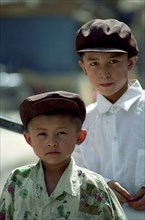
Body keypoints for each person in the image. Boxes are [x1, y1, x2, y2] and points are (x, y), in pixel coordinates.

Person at [0, 91, 127, 219]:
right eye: (42, 134)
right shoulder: (17, 181)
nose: (52, 143)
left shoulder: (94, 187)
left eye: (61, 133)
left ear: (80, 137)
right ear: (29, 139)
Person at [72, 18, 145, 219]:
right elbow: (72, 172)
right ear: (83, 67)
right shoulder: (81, 120)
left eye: (113, 61)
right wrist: (99, 186)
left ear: (130, 62)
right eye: (94, 63)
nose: (104, 73)